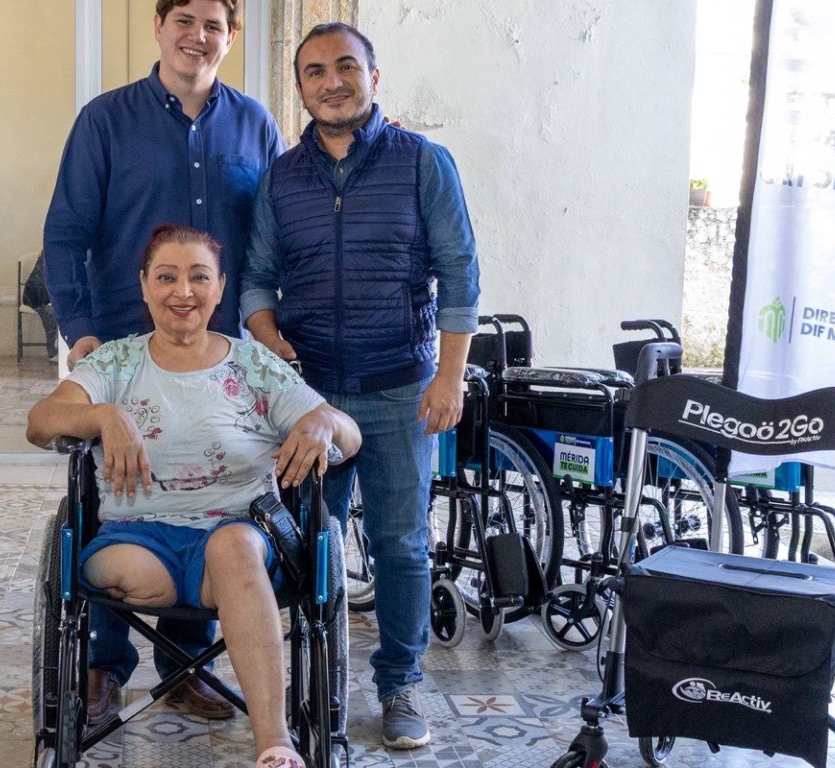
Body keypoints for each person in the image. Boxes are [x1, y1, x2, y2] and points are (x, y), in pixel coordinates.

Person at [27, 224, 361, 768]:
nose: (183, 291)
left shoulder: (254, 365)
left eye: (199, 277)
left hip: (238, 544)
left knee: (233, 548)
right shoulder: (115, 364)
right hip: (138, 543)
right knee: (135, 562)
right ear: (144, 285)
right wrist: (104, 415)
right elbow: (41, 421)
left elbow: (350, 435)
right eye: (166, 277)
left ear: (220, 287)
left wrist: (323, 422)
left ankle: (275, 744)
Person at [40, 0, 284, 725]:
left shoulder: (256, 126)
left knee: (209, 491)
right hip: (122, 349)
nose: (196, 36)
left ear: (231, 35)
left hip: (220, 356)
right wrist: (81, 332)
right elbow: (66, 233)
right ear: (159, 26)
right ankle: (104, 667)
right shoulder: (105, 121)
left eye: (212, 24)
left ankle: (185, 667)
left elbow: (274, 235)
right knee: (115, 497)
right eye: (183, 19)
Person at [241, 23, 480, 750]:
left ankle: (400, 684)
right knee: (307, 544)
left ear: (374, 76)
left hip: (400, 390)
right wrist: (268, 337)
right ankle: (313, 677)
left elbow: (460, 273)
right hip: (310, 398)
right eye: (315, 71)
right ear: (300, 87)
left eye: (346, 66)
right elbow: (256, 278)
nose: (332, 82)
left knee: (400, 544)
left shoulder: (423, 163)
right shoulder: (281, 178)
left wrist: (449, 377)